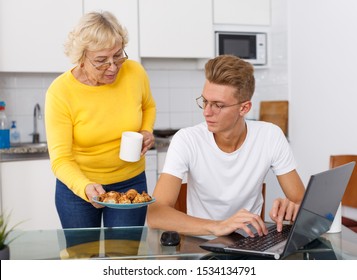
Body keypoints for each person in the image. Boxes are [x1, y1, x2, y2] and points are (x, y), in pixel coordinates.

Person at [147, 55, 305, 237]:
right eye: (205, 101)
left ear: (244, 108)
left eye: (218, 105)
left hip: (250, 243)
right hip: (200, 246)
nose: (207, 112)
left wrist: (291, 207)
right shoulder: (187, 140)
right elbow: (155, 214)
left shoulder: (270, 136)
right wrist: (218, 226)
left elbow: (301, 202)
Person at [45, 11, 156, 229]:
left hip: (130, 181)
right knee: (82, 257)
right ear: (81, 58)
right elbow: (60, 160)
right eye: (101, 61)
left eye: (117, 56)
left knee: (125, 256)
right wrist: (85, 186)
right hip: (78, 188)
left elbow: (148, 105)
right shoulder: (61, 92)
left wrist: (146, 130)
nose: (113, 67)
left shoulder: (135, 72)